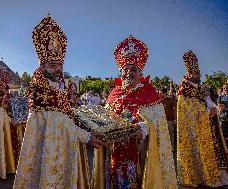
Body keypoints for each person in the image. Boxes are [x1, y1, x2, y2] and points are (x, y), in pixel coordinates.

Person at [13, 15, 104, 188]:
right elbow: (58, 122)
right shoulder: (39, 89)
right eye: (52, 65)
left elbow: (66, 116)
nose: (57, 70)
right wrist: (86, 136)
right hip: (51, 146)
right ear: (42, 67)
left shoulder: (61, 87)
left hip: (63, 142)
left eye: (60, 65)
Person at [93, 35, 177, 189]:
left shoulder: (150, 95)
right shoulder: (113, 95)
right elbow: (103, 119)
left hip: (140, 152)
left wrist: (145, 128)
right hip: (114, 152)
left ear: (140, 74)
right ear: (121, 74)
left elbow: (159, 126)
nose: (129, 73)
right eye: (125, 70)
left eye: (133, 69)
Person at [177, 50, 228, 187]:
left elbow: (208, 102)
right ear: (189, 74)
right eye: (196, 73)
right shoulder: (184, 89)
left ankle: (213, 178)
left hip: (207, 125)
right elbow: (187, 110)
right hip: (194, 128)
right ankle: (196, 178)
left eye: (199, 73)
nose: (198, 75)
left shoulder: (201, 87)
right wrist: (206, 111)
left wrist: (212, 109)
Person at [159, 86, 177, 163]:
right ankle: (165, 150)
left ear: (165, 93)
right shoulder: (159, 101)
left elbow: (175, 109)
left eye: (161, 93)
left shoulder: (170, 100)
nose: (159, 95)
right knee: (163, 135)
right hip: (161, 122)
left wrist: (175, 119)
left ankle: (172, 149)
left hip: (169, 121)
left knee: (170, 135)